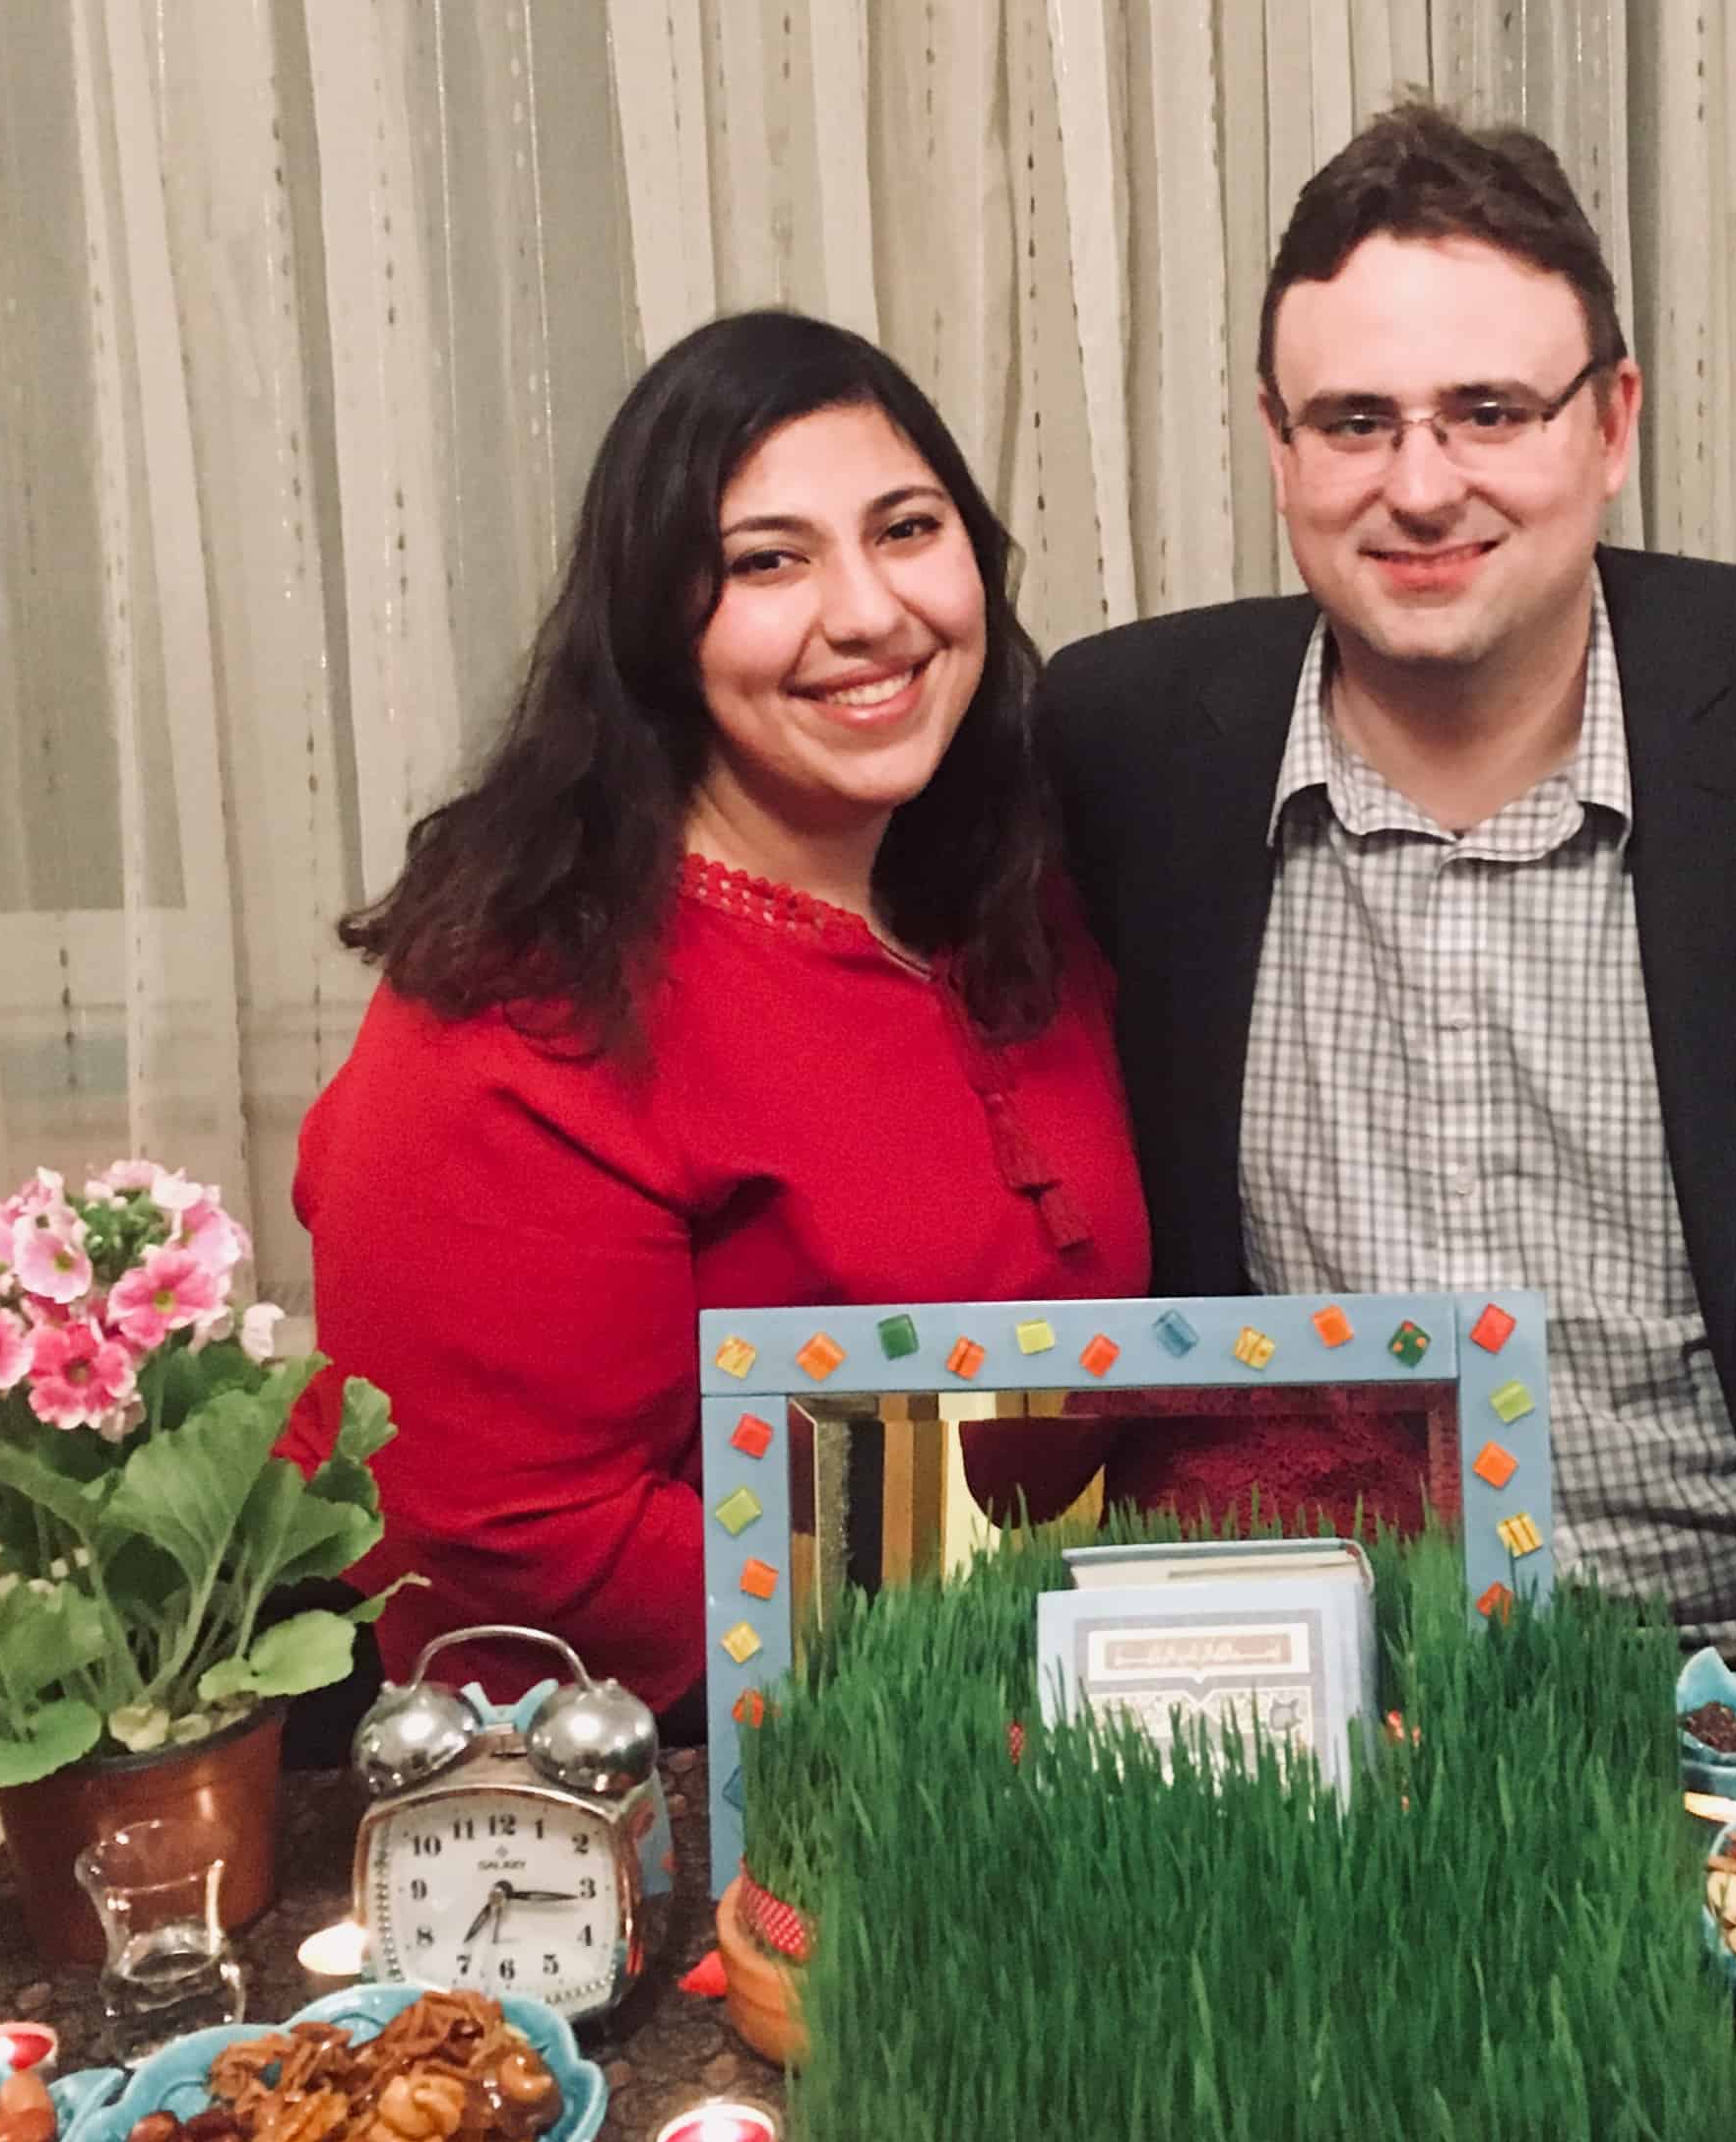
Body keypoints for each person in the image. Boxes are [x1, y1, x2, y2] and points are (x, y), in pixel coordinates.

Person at [1035, 101, 1736, 1683]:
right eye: (1354, 422)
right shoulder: (1123, 742)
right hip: (1314, 1705)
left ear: (1609, 424)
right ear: (1277, 443)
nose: (1420, 486)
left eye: (1488, 411)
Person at [284, 311, 1148, 1730]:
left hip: (1020, 1703)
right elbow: (528, 1546)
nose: (869, 613)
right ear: (653, 621)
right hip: (695, 1764)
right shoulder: (526, 1013)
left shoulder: (1014, 901)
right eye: (769, 562)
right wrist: (1005, 1657)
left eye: (908, 529)